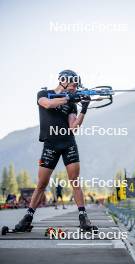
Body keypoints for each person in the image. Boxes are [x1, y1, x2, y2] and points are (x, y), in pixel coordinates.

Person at [14, 69, 94, 232]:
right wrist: (68, 98)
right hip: (50, 144)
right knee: (41, 184)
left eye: (76, 85)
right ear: (63, 81)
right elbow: (48, 104)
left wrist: (84, 109)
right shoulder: (44, 93)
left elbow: (73, 128)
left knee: (75, 181)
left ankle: (83, 217)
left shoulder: (72, 103)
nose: (75, 87)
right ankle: (28, 217)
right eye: (73, 83)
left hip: (68, 143)